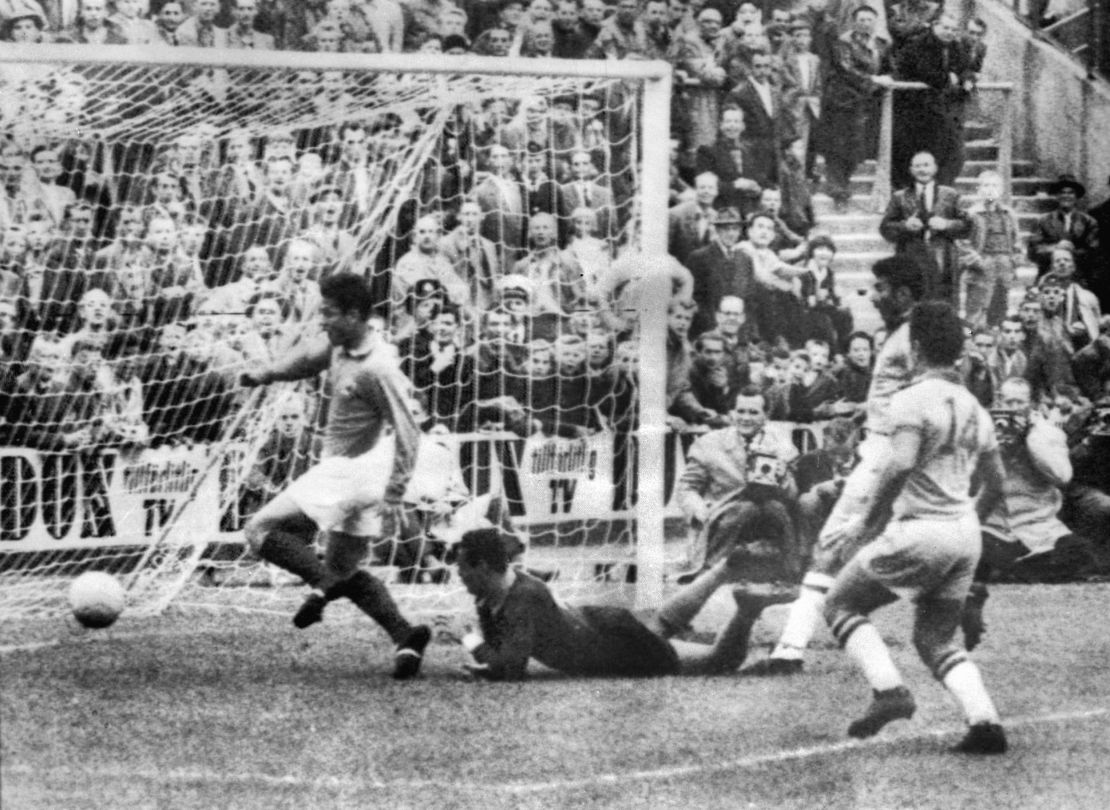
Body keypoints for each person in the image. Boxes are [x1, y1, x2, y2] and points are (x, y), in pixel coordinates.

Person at [821, 301, 1007, 754]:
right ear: (959, 352)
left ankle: (890, 692)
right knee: (935, 639)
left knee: (840, 604)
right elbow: (997, 483)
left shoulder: (909, 399)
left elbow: (900, 462)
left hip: (921, 529)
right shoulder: (974, 406)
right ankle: (985, 722)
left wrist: (864, 523)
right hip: (965, 532)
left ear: (916, 346)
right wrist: (965, 525)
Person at [239, 273, 431, 679]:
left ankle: (320, 589)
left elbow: (411, 430)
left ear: (356, 315)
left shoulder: (379, 367)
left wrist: (396, 496)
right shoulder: (341, 345)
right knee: (345, 566)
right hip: (362, 477)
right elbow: (309, 357)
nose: (322, 320)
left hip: (349, 471)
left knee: (259, 530)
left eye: (328, 313)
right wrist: (268, 373)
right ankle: (406, 635)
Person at [743, 255, 924, 676]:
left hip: (886, 453)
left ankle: (789, 650)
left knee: (833, 544)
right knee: (886, 547)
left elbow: (916, 400)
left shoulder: (911, 338)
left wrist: (882, 422)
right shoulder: (905, 334)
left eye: (881, 289)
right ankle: (965, 594)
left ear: (903, 293)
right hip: (885, 446)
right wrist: (867, 412)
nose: (874, 296)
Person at [450, 527, 792, 680]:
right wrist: (486, 658)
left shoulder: (522, 597)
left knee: (718, 661)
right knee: (661, 624)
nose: (459, 575)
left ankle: (747, 609)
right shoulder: (497, 593)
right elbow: (503, 652)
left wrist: (471, 642)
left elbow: (510, 668)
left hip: (615, 648)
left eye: (463, 567)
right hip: (602, 626)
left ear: (482, 567)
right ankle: (723, 569)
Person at [961, 376, 1077, 649]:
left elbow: (1063, 476)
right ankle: (1014, 569)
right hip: (996, 525)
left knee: (1077, 554)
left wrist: (1033, 438)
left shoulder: (1048, 432)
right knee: (973, 550)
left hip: (1039, 525)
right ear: (998, 402)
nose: (1012, 408)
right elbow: (969, 483)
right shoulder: (984, 432)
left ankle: (1012, 570)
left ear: (1032, 405)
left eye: (1019, 403)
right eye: (1007, 401)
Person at [879, 151, 970, 305]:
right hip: (910, 254)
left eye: (926, 165)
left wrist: (946, 224)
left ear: (935, 168)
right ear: (911, 170)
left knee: (944, 302)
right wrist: (905, 226)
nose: (922, 170)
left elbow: (966, 226)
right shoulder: (900, 196)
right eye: (918, 166)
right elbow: (885, 228)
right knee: (912, 299)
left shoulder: (950, 195)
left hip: (943, 256)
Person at [958, 170, 1025, 329]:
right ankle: (970, 341)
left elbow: (1017, 240)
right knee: (974, 313)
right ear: (978, 190)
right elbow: (961, 242)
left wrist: (1014, 260)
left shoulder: (1009, 214)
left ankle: (995, 342)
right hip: (982, 266)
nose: (990, 189)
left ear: (1001, 190)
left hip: (1004, 265)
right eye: (986, 185)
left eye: (994, 186)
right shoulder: (971, 214)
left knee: (1000, 310)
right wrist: (976, 260)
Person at [1026, 174, 1100, 282]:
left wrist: (1070, 251)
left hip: (1080, 277)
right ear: (1057, 196)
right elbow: (1033, 251)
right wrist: (1055, 248)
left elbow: (1093, 251)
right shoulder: (1043, 221)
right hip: (1049, 276)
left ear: (1076, 196)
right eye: (1062, 192)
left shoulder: (1088, 222)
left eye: (1070, 193)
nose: (1066, 196)